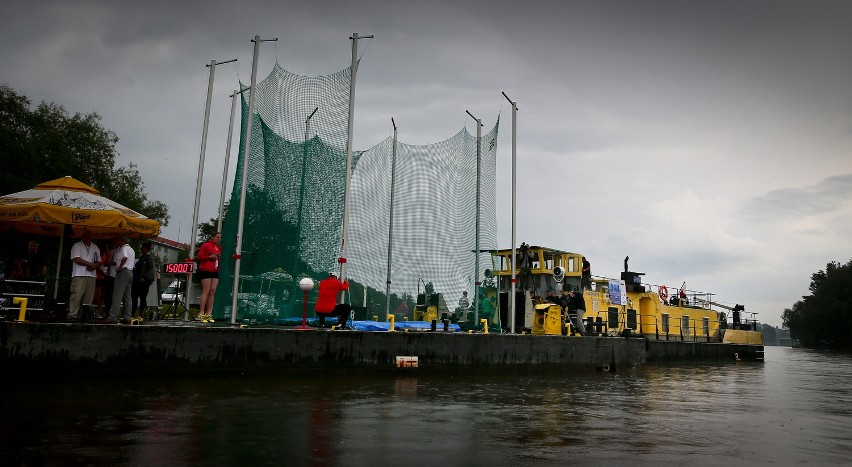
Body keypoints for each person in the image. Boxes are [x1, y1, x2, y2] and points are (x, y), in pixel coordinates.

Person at [68, 230, 100, 320]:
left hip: (92, 275)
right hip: (79, 274)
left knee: (89, 297)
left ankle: (85, 315)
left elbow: (99, 261)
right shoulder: (77, 246)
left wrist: (94, 266)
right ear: (83, 236)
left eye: (89, 236)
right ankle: (72, 314)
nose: (88, 237)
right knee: (76, 294)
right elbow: (76, 259)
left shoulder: (95, 247)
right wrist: (90, 264)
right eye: (86, 236)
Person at [106, 235, 134, 323]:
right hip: (130, 272)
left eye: (117, 241)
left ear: (121, 241)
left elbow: (125, 258)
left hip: (123, 272)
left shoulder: (123, 249)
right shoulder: (132, 250)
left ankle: (112, 316)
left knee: (117, 295)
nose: (116, 243)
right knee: (127, 296)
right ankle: (127, 316)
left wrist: (120, 267)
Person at [196, 232, 222, 323]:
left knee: (212, 291)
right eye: (217, 237)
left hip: (215, 271)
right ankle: (201, 313)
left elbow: (218, 257)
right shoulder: (206, 245)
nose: (219, 239)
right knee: (206, 291)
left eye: (220, 237)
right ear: (213, 237)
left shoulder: (218, 247)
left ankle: (209, 313)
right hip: (206, 270)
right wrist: (209, 257)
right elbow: (199, 256)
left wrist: (218, 257)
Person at [131, 241, 156, 318]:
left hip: (143, 282)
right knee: (134, 297)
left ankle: (141, 313)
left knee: (142, 298)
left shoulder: (148, 257)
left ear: (145, 249)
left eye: (142, 248)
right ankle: (132, 312)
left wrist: (145, 277)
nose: (141, 249)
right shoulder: (142, 257)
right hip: (136, 281)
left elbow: (152, 268)